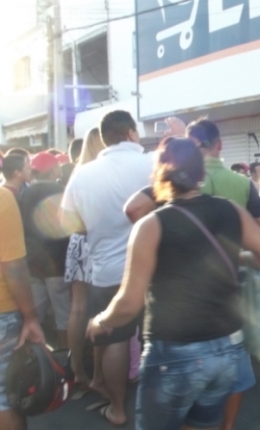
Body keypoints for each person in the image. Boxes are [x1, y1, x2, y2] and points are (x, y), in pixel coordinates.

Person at [86, 137, 260, 430]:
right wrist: (239, 257)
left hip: (174, 351)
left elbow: (129, 302)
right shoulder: (230, 209)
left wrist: (101, 321)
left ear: (159, 175)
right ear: (201, 173)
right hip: (227, 347)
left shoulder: (151, 225)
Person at [60, 111, 152, 426]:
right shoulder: (152, 163)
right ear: (131, 133)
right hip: (156, 269)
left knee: (115, 339)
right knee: (161, 336)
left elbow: (68, 223)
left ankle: (118, 409)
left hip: (108, 272)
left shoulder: (82, 174)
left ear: (104, 137)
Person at [63, 128, 104, 398]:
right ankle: (100, 375)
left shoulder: (77, 175)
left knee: (78, 308)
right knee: (103, 310)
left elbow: (63, 219)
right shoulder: (107, 173)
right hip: (103, 242)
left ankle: (77, 370)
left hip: (78, 241)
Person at [0, 186, 45, 430]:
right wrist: (31, 317)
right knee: (5, 398)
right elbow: (13, 266)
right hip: (2, 311)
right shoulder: (2, 198)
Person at [18, 152, 70, 348]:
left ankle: (34, 357)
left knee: (34, 316)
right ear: (52, 169)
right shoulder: (60, 190)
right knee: (64, 316)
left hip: (32, 263)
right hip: (57, 263)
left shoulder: (24, 193)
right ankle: (66, 357)